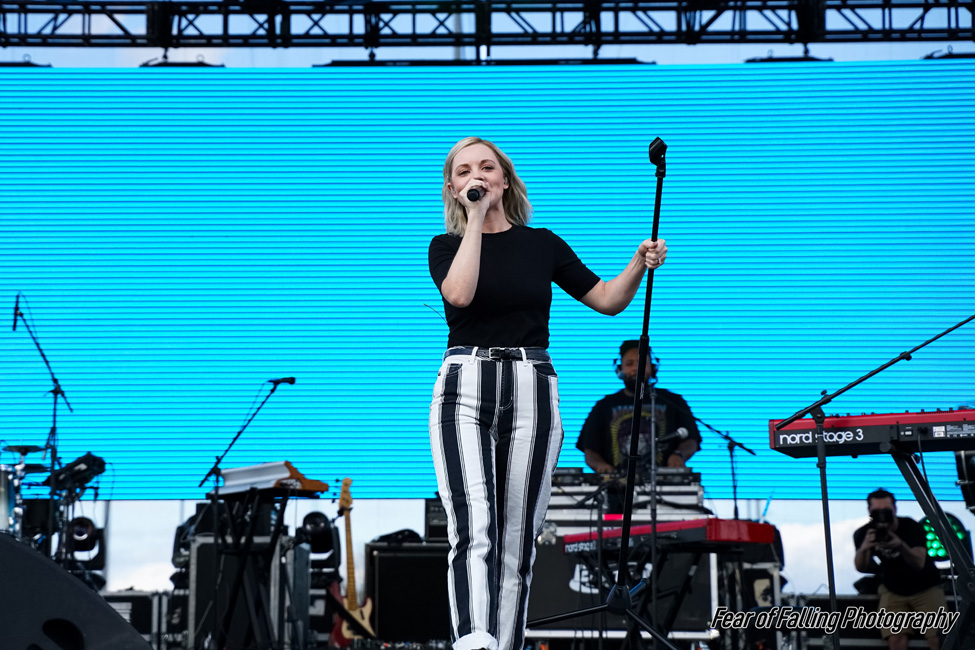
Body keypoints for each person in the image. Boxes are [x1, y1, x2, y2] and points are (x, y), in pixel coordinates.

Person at [428, 136, 667, 650]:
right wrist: (473, 220)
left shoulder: (543, 243)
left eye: (487, 167)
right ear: (452, 185)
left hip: (532, 383)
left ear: (505, 178)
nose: (478, 176)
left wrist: (637, 262)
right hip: (465, 383)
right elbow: (461, 294)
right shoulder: (445, 246)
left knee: (518, 537)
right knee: (474, 522)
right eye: (465, 170)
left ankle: (506, 641)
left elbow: (606, 300)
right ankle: (473, 639)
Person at [576, 340, 700, 477]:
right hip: (615, 489)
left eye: (642, 363)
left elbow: (691, 440)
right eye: (629, 364)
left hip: (664, 484)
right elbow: (590, 450)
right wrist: (601, 466)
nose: (636, 368)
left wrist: (678, 455)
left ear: (653, 367)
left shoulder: (674, 401)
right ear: (619, 369)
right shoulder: (603, 406)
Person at [853, 488, 947, 650]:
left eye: (886, 511)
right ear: (869, 511)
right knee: (896, 639)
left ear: (895, 509)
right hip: (893, 588)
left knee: (938, 638)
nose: (882, 516)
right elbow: (861, 567)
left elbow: (919, 562)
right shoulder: (864, 533)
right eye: (877, 512)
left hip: (926, 586)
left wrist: (901, 545)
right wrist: (865, 548)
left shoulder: (910, 527)